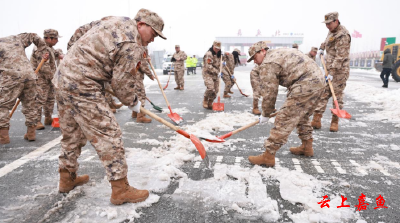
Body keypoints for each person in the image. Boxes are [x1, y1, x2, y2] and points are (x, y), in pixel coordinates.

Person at [53, 9, 166, 205]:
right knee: (109, 134)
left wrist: (74, 58)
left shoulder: (114, 20)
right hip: (83, 85)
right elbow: (121, 84)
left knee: (72, 133)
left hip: (63, 77)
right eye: (154, 34)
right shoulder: (132, 44)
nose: (153, 40)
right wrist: (135, 103)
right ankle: (120, 189)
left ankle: (66, 178)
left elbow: (81, 31)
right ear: (141, 25)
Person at [246, 41, 325, 167]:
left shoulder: (268, 62)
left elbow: (270, 92)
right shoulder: (278, 53)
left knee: (284, 118)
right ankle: (306, 146)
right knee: (302, 115)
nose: (254, 61)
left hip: (305, 84)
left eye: (254, 57)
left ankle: (268, 156)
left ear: (262, 51)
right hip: (319, 83)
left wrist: (266, 113)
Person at [0, 33, 48, 144]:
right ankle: (31, 133)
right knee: (30, 104)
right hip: (29, 75)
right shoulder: (16, 38)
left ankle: (3, 137)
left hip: (11, 76)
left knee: (2, 106)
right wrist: (42, 51)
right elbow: (34, 36)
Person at [311, 12, 351, 132]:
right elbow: (327, 41)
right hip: (329, 68)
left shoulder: (343, 35)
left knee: (336, 96)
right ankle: (316, 119)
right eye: (326, 24)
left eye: (329, 23)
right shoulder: (332, 31)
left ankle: (335, 121)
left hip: (340, 71)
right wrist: (322, 48)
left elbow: (341, 56)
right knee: (323, 93)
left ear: (336, 21)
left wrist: (332, 72)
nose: (327, 26)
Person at [30, 29, 64, 130]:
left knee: (49, 99)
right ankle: (36, 121)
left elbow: (54, 53)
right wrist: (53, 78)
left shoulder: (49, 47)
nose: (57, 41)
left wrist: (59, 54)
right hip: (41, 78)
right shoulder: (41, 48)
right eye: (55, 39)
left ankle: (48, 118)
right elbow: (44, 67)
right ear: (48, 38)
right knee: (39, 100)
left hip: (48, 79)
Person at [131, 48, 155, 123]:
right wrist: (150, 75)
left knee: (135, 94)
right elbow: (142, 64)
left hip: (132, 74)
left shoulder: (135, 46)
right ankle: (140, 116)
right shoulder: (141, 48)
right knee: (141, 95)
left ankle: (135, 112)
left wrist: (147, 58)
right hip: (137, 75)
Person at [202, 41, 222, 109]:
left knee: (216, 90)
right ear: (213, 46)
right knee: (211, 88)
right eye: (216, 48)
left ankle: (210, 102)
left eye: (218, 49)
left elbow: (220, 63)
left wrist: (223, 63)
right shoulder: (209, 54)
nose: (217, 50)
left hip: (215, 74)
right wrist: (217, 72)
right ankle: (205, 100)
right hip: (208, 73)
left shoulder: (219, 54)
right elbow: (208, 67)